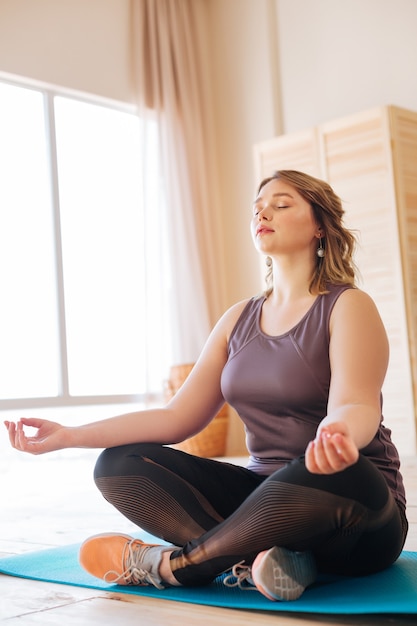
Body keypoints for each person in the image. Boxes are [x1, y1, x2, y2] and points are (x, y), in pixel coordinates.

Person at [5, 170, 408, 601]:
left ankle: (174, 567)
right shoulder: (237, 320)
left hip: (351, 512)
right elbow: (177, 418)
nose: (262, 213)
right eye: (257, 208)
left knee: (343, 474)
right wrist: (71, 436)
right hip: (261, 500)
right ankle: (275, 559)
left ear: (320, 226)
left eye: (281, 204)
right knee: (118, 464)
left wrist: (340, 434)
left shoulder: (347, 305)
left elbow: (356, 404)